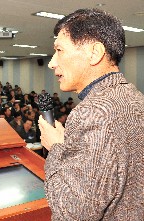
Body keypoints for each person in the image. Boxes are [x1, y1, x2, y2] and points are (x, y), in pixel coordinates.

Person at [39, 8, 144, 220]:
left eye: (59, 50)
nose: (52, 62)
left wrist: (57, 148)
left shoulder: (93, 112)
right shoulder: (135, 97)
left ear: (94, 53)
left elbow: (73, 213)